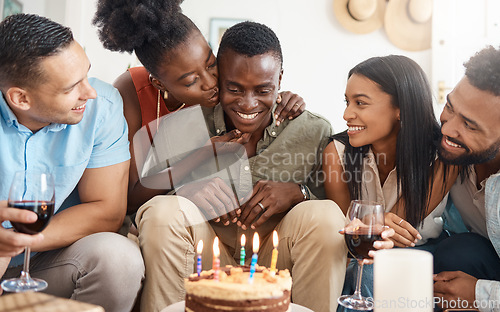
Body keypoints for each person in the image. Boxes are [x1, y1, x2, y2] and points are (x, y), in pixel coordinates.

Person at [132, 20, 348, 312]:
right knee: (162, 211)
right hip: (205, 257)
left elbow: (339, 213)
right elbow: (139, 202)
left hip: (276, 260)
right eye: (234, 88)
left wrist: (300, 193)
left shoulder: (313, 130)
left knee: (325, 216)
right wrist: (184, 194)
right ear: (219, 77)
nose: (248, 104)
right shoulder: (178, 127)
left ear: (280, 80)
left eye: (262, 90)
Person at [93, 0, 306, 216]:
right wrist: (203, 154)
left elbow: (252, 87)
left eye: (210, 63)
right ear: (159, 83)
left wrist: (282, 96)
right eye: (191, 80)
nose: (211, 82)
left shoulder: (215, 86)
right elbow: (128, 198)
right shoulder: (129, 95)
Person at [0, 14, 144, 311]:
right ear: (20, 98)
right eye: (70, 88)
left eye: (86, 75)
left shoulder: (100, 107)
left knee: (119, 258)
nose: (89, 93)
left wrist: (16, 241)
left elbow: (106, 211)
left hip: (47, 260)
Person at [322, 55, 458, 310]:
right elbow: (346, 228)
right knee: (365, 271)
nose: (346, 114)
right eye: (347, 101)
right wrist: (374, 222)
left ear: (401, 109)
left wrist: (371, 223)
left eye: (360, 103)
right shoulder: (337, 152)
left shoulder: (443, 155)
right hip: (359, 257)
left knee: (378, 273)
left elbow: (397, 230)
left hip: (423, 255)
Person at [433, 45, 500, 311]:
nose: (447, 128)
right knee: (458, 251)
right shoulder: (449, 151)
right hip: (477, 260)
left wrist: (480, 295)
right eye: (450, 107)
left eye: (469, 125)